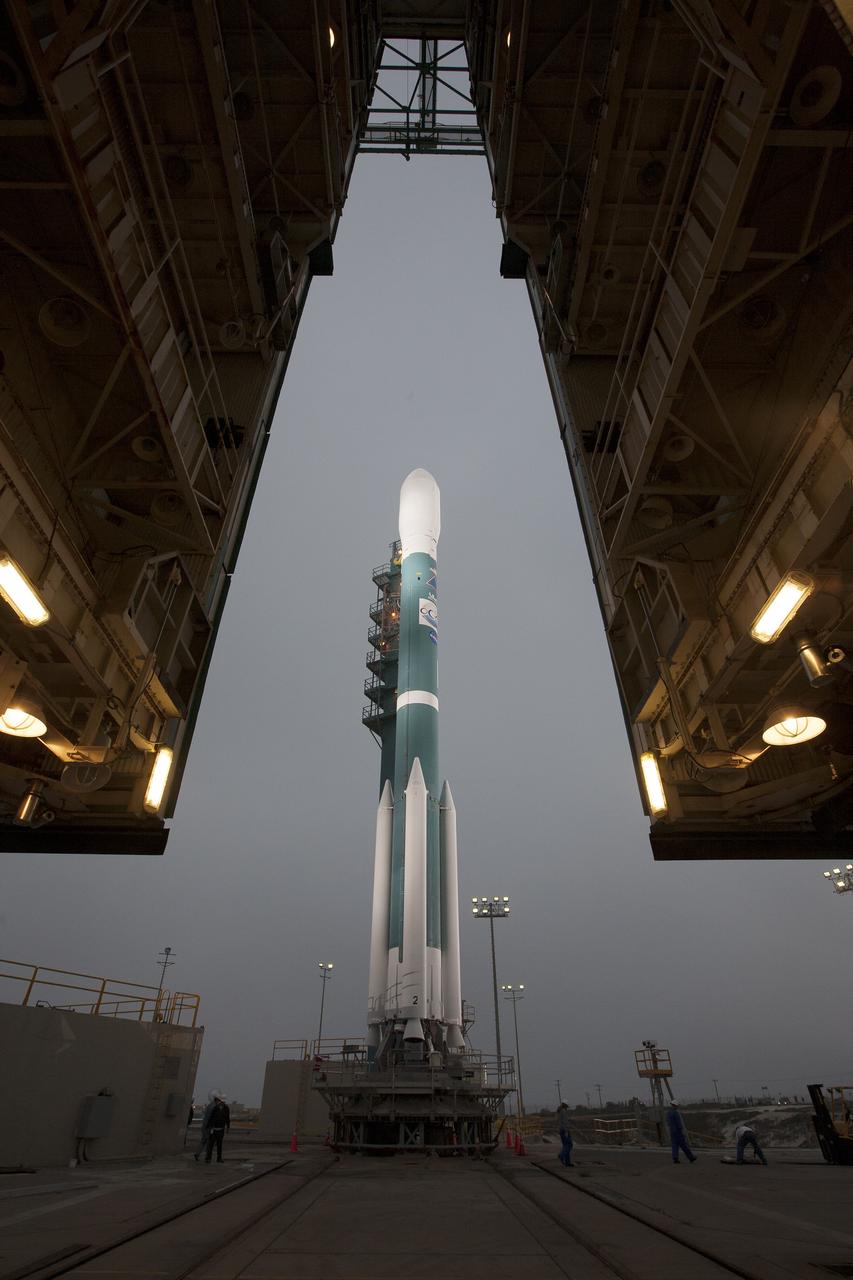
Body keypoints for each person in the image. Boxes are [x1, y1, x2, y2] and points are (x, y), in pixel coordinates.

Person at [204, 1093, 231, 1163]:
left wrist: (228, 1127)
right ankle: (208, 1158)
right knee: (211, 1144)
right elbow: (211, 1117)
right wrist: (208, 1126)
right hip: (213, 1129)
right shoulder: (215, 1108)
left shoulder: (226, 1108)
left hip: (221, 1130)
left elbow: (227, 1118)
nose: (222, 1102)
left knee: (219, 1145)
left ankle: (219, 1158)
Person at [557, 1102, 574, 1167]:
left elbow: (561, 1121)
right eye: (567, 1106)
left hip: (561, 1130)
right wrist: (566, 1131)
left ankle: (567, 1162)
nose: (567, 1107)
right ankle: (562, 1155)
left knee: (565, 1146)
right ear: (565, 1105)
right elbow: (564, 1122)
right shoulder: (563, 1111)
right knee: (569, 1145)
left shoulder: (560, 1111)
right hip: (565, 1131)